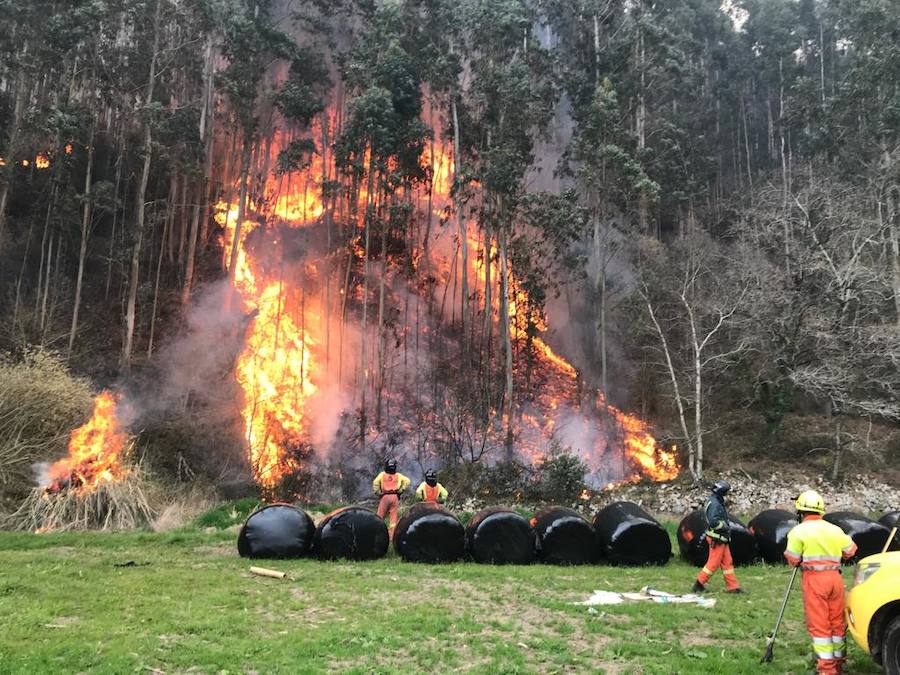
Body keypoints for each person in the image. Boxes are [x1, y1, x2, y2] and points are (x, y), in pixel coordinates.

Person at [784, 490, 857, 675]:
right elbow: (851, 550)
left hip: (814, 580)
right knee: (837, 622)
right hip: (835, 578)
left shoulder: (798, 531)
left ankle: (826, 669)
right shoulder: (834, 529)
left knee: (819, 624)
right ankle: (839, 661)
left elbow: (792, 559)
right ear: (821, 511)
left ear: (800, 512)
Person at [692, 480, 744, 594]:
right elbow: (713, 522)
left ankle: (733, 587)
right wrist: (725, 526)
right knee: (713, 564)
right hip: (717, 538)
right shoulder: (715, 504)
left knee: (727, 562)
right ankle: (698, 584)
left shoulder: (716, 501)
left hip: (722, 538)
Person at [372, 459, 410, 540]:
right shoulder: (398, 475)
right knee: (393, 518)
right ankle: (392, 536)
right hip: (395, 497)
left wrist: (379, 493)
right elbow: (407, 481)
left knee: (380, 516)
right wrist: (400, 490)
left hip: (385, 496)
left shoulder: (382, 475)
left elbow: (375, 483)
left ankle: (376, 533)